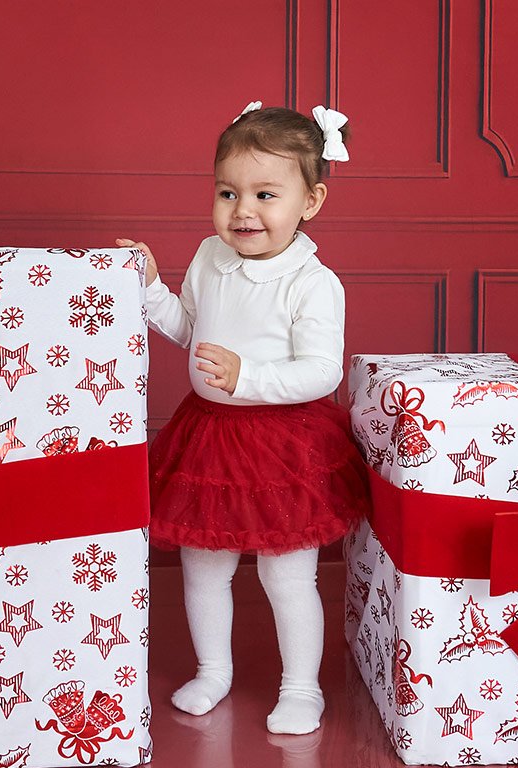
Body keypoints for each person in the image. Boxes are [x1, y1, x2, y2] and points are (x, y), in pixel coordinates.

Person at [116, 102, 368, 735]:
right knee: (204, 565)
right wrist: (149, 289)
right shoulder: (210, 256)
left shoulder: (312, 282)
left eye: (264, 194)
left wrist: (248, 376)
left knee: (287, 575)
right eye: (227, 193)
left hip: (285, 443)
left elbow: (322, 371)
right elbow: (190, 330)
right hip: (209, 436)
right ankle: (213, 670)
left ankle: (301, 687)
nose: (242, 210)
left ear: (310, 202)